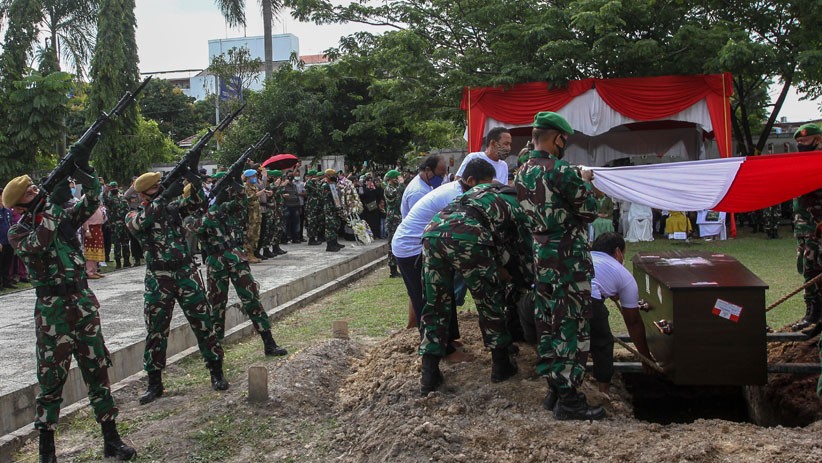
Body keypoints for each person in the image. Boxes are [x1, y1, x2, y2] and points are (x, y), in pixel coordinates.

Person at [4, 166, 136, 461]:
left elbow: (90, 203)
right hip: (53, 314)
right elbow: (41, 241)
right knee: (51, 382)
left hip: (83, 305)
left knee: (98, 372)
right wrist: (52, 205)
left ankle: (112, 440)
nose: (36, 191)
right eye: (30, 192)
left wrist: (85, 173)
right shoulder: (19, 231)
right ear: (19, 205)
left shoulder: (61, 216)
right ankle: (47, 451)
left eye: (35, 187)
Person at [514, 111, 605, 421]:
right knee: (571, 324)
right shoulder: (564, 171)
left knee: (548, 322)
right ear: (557, 139)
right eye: (564, 140)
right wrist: (586, 182)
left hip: (542, 258)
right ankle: (569, 401)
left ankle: (554, 389)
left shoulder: (522, 171)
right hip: (569, 260)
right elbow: (589, 211)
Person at [419, 165, 532, 395]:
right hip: (468, 234)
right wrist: (525, 278)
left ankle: (429, 373)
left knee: (436, 304)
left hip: (433, 232)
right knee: (489, 300)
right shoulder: (516, 201)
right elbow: (524, 248)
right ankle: (501, 364)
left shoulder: (477, 193)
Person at [126, 171, 228, 405]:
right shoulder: (134, 214)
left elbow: (196, 202)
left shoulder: (172, 207)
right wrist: (162, 198)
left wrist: (194, 180)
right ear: (143, 194)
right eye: (155, 188)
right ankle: (154, 382)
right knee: (156, 330)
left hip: (185, 272)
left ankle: (216, 371)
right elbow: (141, 223)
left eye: (161, 186)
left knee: (203, 322)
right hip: (158, 278)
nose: (160, 189)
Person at [194, 180, 288, 356]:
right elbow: (201, 227)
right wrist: (214, 205)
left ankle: (269, 342)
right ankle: (216, 348)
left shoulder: (223, 208)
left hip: (235, 257)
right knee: (217, 305)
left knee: (252, 299)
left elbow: (242, 203)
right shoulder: (194, 216)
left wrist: (236, 184)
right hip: (216, 263)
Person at [588, 233, 654, 394]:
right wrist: (645, 357)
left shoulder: (585, 257)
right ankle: (603, 393)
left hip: (563, 298)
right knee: (603, 343)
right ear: (618, 252)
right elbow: (633, 322)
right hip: (590, 301)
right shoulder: (624, 275)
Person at [791, 123, 822, 336]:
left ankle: (815, 315)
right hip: (804, 229)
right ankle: (812, 312)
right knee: (807, 268)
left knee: (815, 270)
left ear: (817, 140)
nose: (800, 145)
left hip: (818, 229)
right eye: (798, 142)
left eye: (803, 141)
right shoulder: (801, 162)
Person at [103, 182, 132, 269]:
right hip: (116, 224)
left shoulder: (121, 198)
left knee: (124, 243)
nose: (114, 189)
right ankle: (120, 262)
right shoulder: (111, 199)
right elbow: (105, 201)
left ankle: (125, 261)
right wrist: (105, 191)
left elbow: (127, 210)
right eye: (113, 187)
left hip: (122, 224)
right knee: (118, 243)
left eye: (114, 187)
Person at [383, 170, 405, 278]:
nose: (398, 179)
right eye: (397, 178)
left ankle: (397, 267)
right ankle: (393, 269)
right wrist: (401, 185)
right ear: (392, 179)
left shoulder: (395, 188)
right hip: (393, 219)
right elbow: (395, 200)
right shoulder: (389, 189)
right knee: (392, 243)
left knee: (397, 242)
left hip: (398, 217)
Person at [322, 169, 346, 252]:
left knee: (335, 225)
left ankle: (335, 242)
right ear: (328, 176)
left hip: (334, 208)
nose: (335, 177)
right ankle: (330, 245)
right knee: (330, 227)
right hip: (329, 208)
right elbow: (327, 196)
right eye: (333, 175)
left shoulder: (333, 184)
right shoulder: (325, 185)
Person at [0, 190, 17, 289]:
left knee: (7, 262)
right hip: (1, 241)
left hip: (8, 241)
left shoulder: (7, 211)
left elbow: (11, 224)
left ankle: (7, 281)